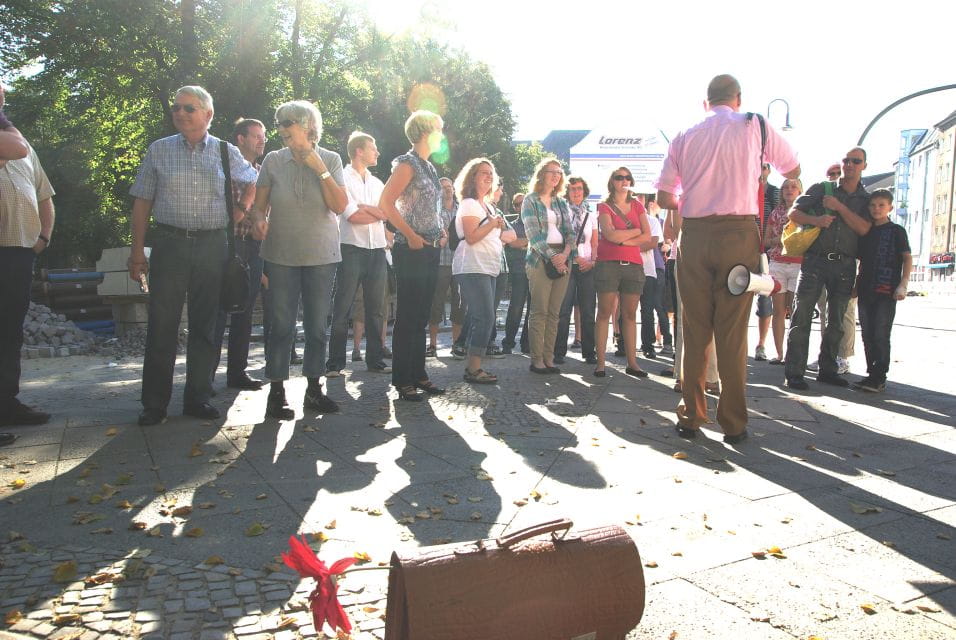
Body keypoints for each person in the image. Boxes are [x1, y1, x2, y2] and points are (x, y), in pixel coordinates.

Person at [656, 74, 799, 444]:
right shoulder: (754, 124)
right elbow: (793, 169)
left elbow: (666, 197)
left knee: (695, 328)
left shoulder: (684, 136)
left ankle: (691, 416)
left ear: (706, 102)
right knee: (732, 334)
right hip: (738, 234)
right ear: (737, 98)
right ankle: (733, 423)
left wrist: (693, 195)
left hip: (697, 235)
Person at [128, 86, 258, 426]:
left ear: (208, 115)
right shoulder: (159, 150)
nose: (181, 113)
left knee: (205, 325)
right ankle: (154, 404)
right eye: (176, 108)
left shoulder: (227, 152)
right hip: (170, 244)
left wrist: (241, 210)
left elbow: (254, 181)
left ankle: (198, 397)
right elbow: (142, 201)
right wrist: (137, 251)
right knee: (162, 325)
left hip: (213, 246)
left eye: (189, 108)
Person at [250, 100, 348, 419]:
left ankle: (314, 391)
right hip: (280, 254)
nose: (281, 127)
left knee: (318, 326)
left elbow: (339, 205)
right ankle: (276, 393)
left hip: (321, 255)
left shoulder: (331, 158)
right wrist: (258, 219)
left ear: (308, 125)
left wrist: (315, 163)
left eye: (288, 121)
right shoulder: (273, 160)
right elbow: (258, 206)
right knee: (280, 326)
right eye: (279, 122)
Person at [784, 148, 871, 390]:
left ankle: (828, 369)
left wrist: (840, 208)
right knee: (801, 316)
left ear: (864, 165)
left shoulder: (865, 199)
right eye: (846, 160)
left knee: (836, 321)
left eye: (856, 161)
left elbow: (864, 229)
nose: (850, 164)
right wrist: (816, 221)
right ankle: (794, 372)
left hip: (845, 264)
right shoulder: (823, 188)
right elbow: (794, 212)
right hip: (815, 260)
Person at [379, 110, 447, 401]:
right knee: (408, 316)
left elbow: (431, 208)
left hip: (431, 248)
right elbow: (385, 203)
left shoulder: (429, 167)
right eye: (438, 129)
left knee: (421, 315)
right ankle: (403, 379)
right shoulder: (407, 164)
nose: (442, 135)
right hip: (412, 249)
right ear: (424, 132)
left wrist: (442, 230)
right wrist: (409, 234)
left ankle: (419, 374)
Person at [0, 84, 54, 439]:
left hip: (18, 251)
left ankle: (6, 403)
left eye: (2, 96)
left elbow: (44, 195)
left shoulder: (23, 144)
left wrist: (42, 239)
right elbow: (14, 145)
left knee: (9, 333)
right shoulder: (13, 138)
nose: (2, 100)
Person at [325, 131, 391, 377]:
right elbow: (351, 215)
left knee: (376, 308)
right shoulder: (341, 177)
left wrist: (370, 210)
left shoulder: (377, 182)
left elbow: (386, 213)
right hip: (351, 249)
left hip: (377, 250)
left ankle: (375, 360)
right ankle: (335, 363)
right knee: (342, 306)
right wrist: (373, 212)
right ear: (359, 151)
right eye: (373, 147)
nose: (377, 152)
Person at [212, 118, 267, 391]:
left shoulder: (262, 172)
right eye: (256, 135)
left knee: (244, 312)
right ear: (240, 139)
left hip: (253, 247)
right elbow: (230, 217)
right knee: (218, 311)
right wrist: (249, 196)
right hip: (227, 245)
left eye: (264, 136)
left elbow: (265, 217)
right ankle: (205, 376)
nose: (262, 140)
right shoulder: (224, 171)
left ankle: (237, 373)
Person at [451, 159, 515, 384]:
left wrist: (497, 225)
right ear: (472, 177)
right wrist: (493, 224)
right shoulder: (469, 204)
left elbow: (509, 236)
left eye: (491, 173)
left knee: (486, 317)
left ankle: (474, 365)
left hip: (488, 266)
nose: (489, 177)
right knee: (485, 317)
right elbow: (471, 236)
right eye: (483, 173)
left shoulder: (486, 206)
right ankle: (473, 368)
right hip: (472, 265)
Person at [593, 168, 651, 378]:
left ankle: (632, 363)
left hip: (633, 264)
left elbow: (647, 236)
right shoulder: (604, 206)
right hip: (608, 263)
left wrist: (623, 238)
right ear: (612, 182)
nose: (624, 180)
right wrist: (634, 232)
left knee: (629, 314)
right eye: (619, 177)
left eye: (627, 177)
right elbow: (609, 234)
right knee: (605, 312)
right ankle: (600, 363)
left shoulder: (637, 205)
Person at [853, 189, 912, 393]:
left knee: (880, 332)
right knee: (867, 333)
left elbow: (907, 257)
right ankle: (871, 373)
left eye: (881, 205)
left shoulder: (896, 231)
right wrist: (855, 285)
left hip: (886, 290)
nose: (876, 209)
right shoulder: (866, 232)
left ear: (890, 207)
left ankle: (880, 376)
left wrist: (903, 283)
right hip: (866, 288)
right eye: (872, 205)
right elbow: (861, 262)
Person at [521, 158, 576, 375]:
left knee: (555, 312)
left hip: (563, 258)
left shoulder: (561, 202)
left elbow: (571, 233)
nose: (556, 175)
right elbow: (533, 235)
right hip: (540, 259)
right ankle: (536, 360)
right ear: (542, 173)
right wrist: (554, 256)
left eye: (559, 172)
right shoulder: (530, 200)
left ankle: (549, 357)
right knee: (539, 310)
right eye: (552, 171)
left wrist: (564, 254)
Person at [554, 176, 598, 365]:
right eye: (572, 189)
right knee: (563, 310)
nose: (576, 192)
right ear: (567, 192)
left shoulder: (591, 215)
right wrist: (573, 257)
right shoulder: (561, 213)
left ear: (584, 191)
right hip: (569, 264)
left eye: (579, 188)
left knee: (588, 311)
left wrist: (593, 261)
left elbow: (594, 242)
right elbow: (560, 240)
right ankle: (559, 352)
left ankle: (589, 352)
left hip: (587, 266)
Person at [762, 177, 803, 363]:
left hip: (799, 264)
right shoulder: (775, 213)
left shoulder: (806, 211)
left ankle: (794, 353)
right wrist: (779, 240)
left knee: (795, 311)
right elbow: (766, 240)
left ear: (800, 190)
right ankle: (780, 353)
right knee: (778, 311)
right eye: (785, 187)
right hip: (778, 263)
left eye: (793, 186)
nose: (789, 190)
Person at [427, 177, 462, 357]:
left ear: (454, 190)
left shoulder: (461, 210)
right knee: (436, 304)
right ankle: (432, 345)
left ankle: (456, 344)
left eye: (450, 187)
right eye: (443, 188)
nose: (447, 190)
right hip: (439, 263)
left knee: (459, 304)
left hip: (459, 263)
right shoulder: (433, 211)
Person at [753, 163, 780, 361]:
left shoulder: (774, 192)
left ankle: (761, 344)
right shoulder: (745, 190)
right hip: (743, 250)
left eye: (764, 167)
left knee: (765, 299)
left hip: (767, 252)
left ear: (769, 170)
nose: (760, 170)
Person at [638, 196, 670, 360]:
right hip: (627, 268)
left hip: (650, 270)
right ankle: (623, 344)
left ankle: (648, 345)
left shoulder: (653, 221)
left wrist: (629, 249)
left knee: (649, 308)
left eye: (639, 197)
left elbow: (653, 243)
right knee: (625, 309)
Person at [501, 192, 530, 355]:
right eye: (518, 204)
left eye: (524, 203)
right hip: (519, 271)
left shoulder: (537, 223)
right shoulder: (511, 225)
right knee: (516, 307)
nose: (521, 206)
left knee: (532, 310)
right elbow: (513, 243)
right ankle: (508, 342)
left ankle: (527, 343)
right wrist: (531, 240)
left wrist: (522, 243)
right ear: (514, 206)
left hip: (535, 270)